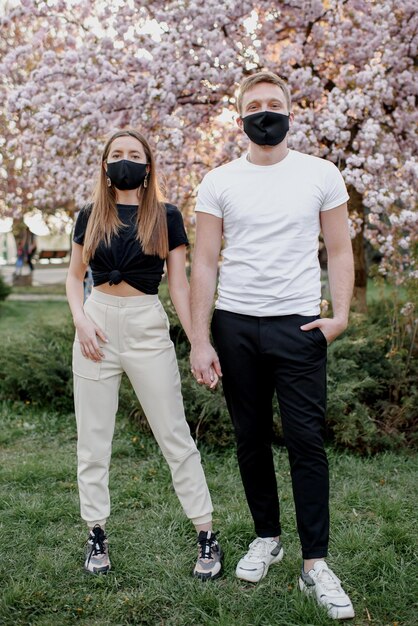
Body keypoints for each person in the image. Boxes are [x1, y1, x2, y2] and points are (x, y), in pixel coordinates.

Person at [190, 72, 355, 620]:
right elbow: (205, 262)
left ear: (290, 110)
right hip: (235, 325)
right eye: (255, 105)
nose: (266, 111)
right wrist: (199, 339)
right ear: (239, 117)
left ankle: (316, 564)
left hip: (300, 326)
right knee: (250, 438)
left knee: (307, 441)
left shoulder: (320, 174)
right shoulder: (218, 181)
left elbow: (338, 248)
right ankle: (267, 537)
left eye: (274, 103)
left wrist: (340, 317)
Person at [66, 128, 222, 580]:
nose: (125, 160)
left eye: (134, 154)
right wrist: (80, 320)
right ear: (105, 165)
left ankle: (206, 535)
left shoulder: (167, 216)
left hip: (146, 327)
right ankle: (96, 533)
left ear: (148, 165)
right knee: (93, 441)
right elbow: (75, 278)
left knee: (175, 435)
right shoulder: (90, 215)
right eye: (116, 154)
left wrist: (198, 341)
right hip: (96, 325)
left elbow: (179, 285)